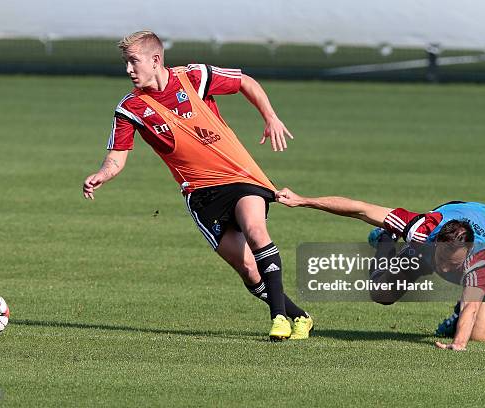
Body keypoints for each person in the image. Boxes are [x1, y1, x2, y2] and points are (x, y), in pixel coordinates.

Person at [82, 31, 312, 341]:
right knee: (246, 268)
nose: (128, 70)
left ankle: (279, 318)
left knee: (257, 232)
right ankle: (300, 317)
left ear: (155, 60)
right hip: (201, 194)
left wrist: (269, 116)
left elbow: (245, 81)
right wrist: (102, 174)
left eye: (133, 62)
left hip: (240, 175)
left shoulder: (194, 76)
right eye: (126, 63)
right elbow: (117, 158)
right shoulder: (131, 108)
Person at [275, 188, 485, 350]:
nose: (444, 267)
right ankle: (385, 240)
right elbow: (359, 209)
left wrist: (457, 344)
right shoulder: (422, 229)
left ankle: (454, 320)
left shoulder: (483, 258)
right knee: (381, 293)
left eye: (453, 263)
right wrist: (303, 201)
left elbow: (472, 304)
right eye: (442, 257)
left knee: (479, 335)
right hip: (454, 213)